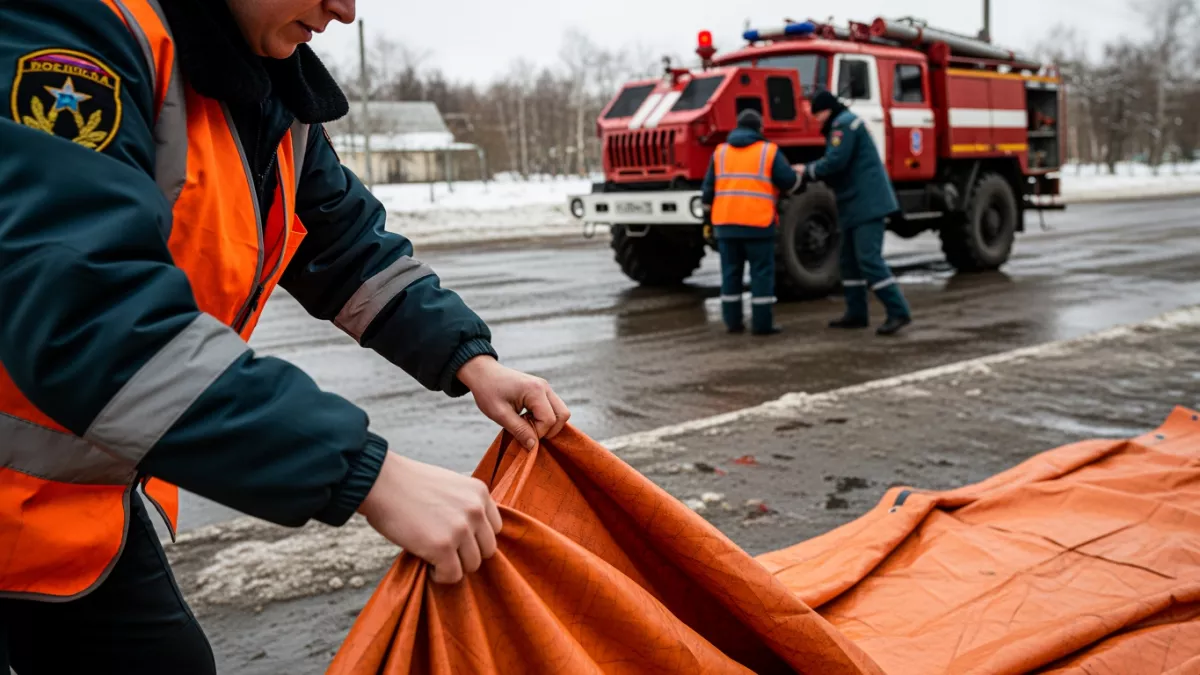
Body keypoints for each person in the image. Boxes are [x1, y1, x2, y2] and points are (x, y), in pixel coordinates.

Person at [0, 0, 569, 672]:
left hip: (68, 519)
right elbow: (87, 314)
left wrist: (471, 359)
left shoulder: (267, 89)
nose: (347, 10)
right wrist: (369, 473)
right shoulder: (74, 30)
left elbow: (348, 248)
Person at [796, 90, 913, 336]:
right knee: (848, 262)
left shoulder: (843, 125)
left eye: (816, 114)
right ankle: (856, 313)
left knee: (869, 259)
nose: (816, 120)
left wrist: (805, 171)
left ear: (826, 110)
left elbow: (836, 161)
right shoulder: (843, 123)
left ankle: (898, 310)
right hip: (854, 204)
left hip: (867, 204)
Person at [701, 109, 802, 336]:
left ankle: (733, 323)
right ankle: (762, 325)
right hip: (757, 224)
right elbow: (788, 182)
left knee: (730, 274)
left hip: (726, 224)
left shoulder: (720, 153)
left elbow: (707, 192)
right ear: (759, 129)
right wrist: (798, 176)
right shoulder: (768, 151)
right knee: (761, 274)